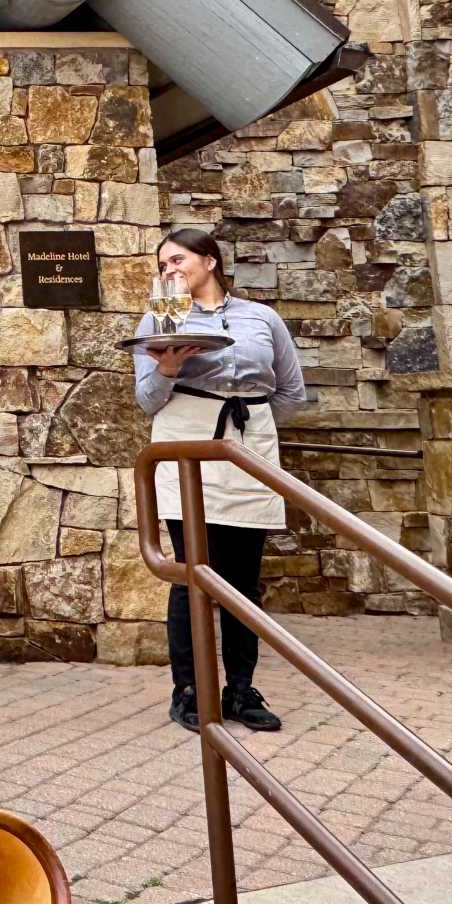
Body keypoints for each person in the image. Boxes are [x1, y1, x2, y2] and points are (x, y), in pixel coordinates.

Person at [133, 227, 305, 735]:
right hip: (184, 441)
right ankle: (188, 691)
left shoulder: (261, 317)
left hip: (247, 444)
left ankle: (241, 690)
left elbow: (291, 391)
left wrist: (248, 421)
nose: (169, 269)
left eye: (177, 259)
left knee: (243, 579)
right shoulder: (160, 319)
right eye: (162, 264)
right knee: (191, 575)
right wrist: (166, 369)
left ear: (210, 261)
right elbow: (146, 400)